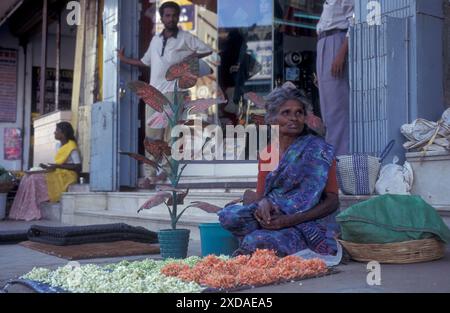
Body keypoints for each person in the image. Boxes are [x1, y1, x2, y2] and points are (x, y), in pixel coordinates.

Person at [218, 85, 340, 257]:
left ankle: (272, 241)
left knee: (256, 241)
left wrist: (289, 220)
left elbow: (333, 201)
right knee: (228, 216)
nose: (294, 118)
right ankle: (267, 238)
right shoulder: (267, 153)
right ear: (272, 118)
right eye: (286, 113)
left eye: (299, 113)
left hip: (307, 222)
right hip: (274, 217)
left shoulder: (319, 151)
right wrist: (262, 204)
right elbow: (261, 196)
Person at [118, 1, 212, 186]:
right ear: (162, 18)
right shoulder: (155, 40)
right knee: (152, 135)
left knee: (171, 135)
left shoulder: (185, 37)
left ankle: (166, 173)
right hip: (153, 94)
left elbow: (207, 49)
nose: (170, 19)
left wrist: (187, 60)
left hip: (175, 93)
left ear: (178, 17)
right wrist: (124, 59)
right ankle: (150, 174)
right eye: (167, 15)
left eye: (174, 15)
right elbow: (145, 62)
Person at [9, 122, 81, 221]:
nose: (54, 133)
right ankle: (23, 210)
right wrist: (47, 166)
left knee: (33, 179)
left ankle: (32, 209)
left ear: (63, 133)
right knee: (27, 177)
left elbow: (77, 166)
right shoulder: (58, 146)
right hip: (58, 172)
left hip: (68, 176)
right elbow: (58, 164)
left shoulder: (72, 147)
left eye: (57, 130)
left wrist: (57, 166)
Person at [316, 0, 354, 156]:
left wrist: (341, 53)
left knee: (336, 109)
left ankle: (339, 159)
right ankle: (333, 157)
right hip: (324, 43)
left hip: (335, 42)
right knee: (328, 110)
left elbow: (354, 20)